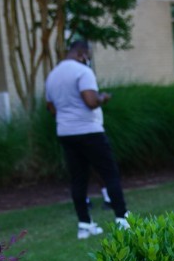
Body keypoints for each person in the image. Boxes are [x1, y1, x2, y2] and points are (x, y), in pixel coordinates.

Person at [44, 39, 129, 239]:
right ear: (82, 53)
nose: (88, 60)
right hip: (89, 131)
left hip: (65, 132)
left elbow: (51, 107)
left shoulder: (53, 75)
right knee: (109, 173)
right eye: (88, 56)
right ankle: (122, 218)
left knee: (78, 179)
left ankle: (84, 224)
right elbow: (91, 101)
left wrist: (67, 116)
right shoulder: (83, 72)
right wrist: (103, 98)